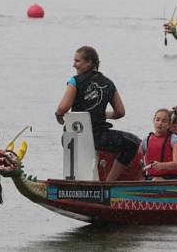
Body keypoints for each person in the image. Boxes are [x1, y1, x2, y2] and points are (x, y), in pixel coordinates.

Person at [55, 46, 141, 181]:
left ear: (89, 62)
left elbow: (62, 108)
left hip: (73, 137)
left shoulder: (74, 81)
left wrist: (58, 114)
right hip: (99, 138)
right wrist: (104, 114)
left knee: (74, 139)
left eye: (77, 61)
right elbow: (120, 112)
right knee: (133, 144)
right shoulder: (108, 83)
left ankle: (73, 182)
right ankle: (109, 183)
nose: (73, 65)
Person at [141, 109, 177, 180]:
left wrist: (162, 165)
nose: (160, 123)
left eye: (164, 121)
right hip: (150, 177)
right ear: (153, 121)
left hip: (171, 178)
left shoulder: (174, 140)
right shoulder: (146, 140)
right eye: (157, 120)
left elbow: (176, 164)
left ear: (169, 124)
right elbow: (138, 158)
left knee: (156, 180)